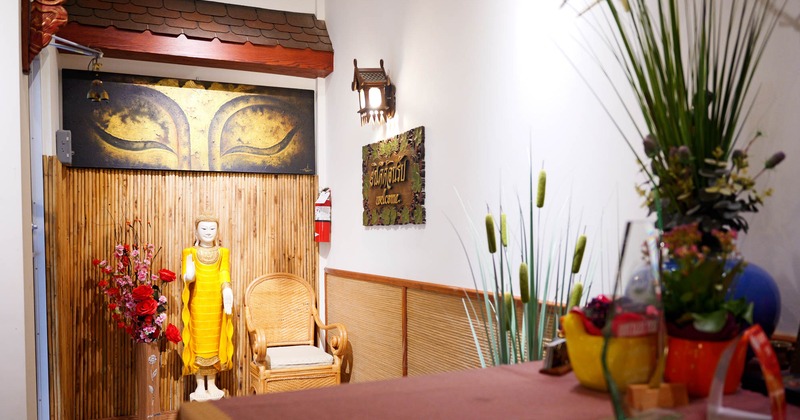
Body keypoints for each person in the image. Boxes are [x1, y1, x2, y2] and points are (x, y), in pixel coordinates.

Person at [181, 215, 234, 401]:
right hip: (198, 302)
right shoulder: (190, 252)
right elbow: (187, 277)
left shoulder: (223, 252)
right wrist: (189, 274)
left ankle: (211, 384)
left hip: (216, 303)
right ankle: (199, 386)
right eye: (204, 229)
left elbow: (224, 272)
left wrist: (227, 289)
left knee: (214, 340)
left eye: (212, 229)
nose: (208, 232)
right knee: (198, 340)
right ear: (196, 231)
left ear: (217, 231)